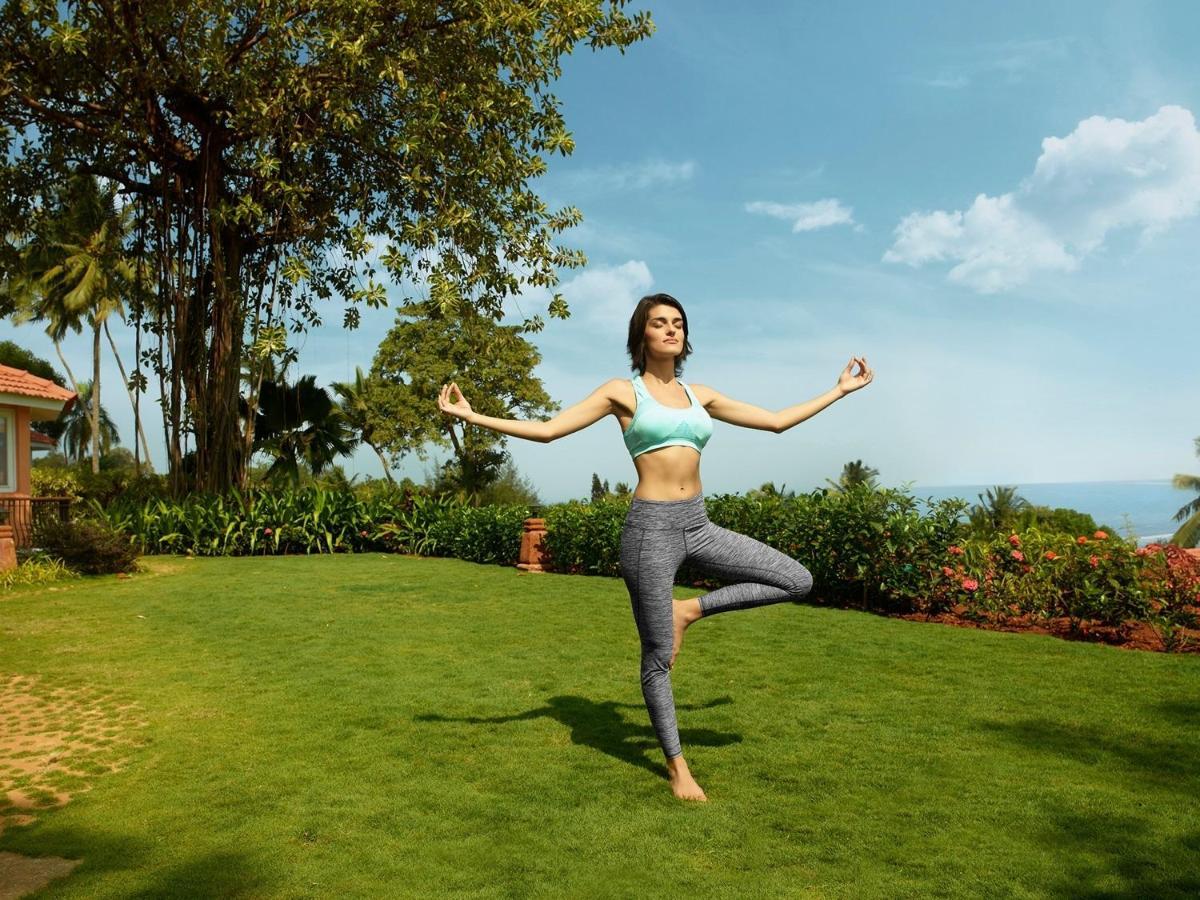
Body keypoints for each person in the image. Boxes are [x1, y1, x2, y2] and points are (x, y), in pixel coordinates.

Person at [437, 292, 874, 801]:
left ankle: (688, 610)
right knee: (658, 657)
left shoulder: (701, 395)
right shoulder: (622, 393)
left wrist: (839, 390)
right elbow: (549, 430)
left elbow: (775, 421)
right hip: (651, 531)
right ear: (640, 335)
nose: (672, 330)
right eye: (660, 323)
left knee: (796, 579)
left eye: (678, 323)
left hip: (699, 523)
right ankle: (677, 768)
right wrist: (472, 416)